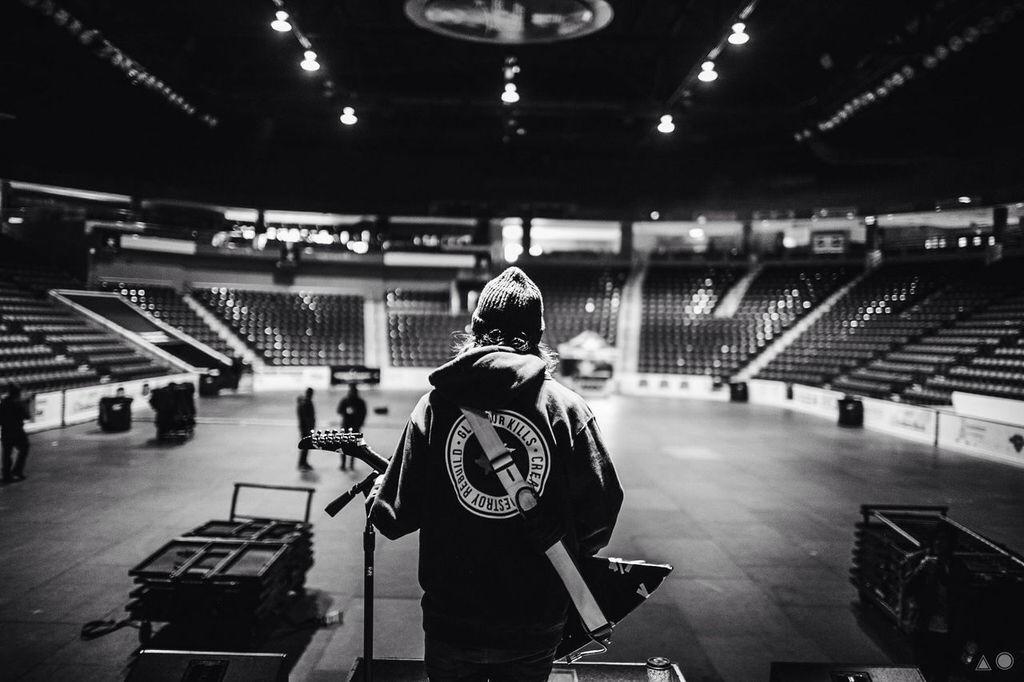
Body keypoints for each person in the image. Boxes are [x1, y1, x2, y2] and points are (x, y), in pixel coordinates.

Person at [368, 267, 623, 682]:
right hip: (535, 620)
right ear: (537, 336)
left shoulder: (434, 407)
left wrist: (382, 489)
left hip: (453, 621)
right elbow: (600, 516)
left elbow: (393, 517)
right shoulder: (567, 410)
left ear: (475, 330)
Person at [1, 384, 32, 483]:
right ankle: (17, 470)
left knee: (7, 454)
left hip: (6, 431)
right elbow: (27, 416)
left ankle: (6, 475)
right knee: (25, 447)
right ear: (18, 394)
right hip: (17, 431)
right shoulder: (18, 404)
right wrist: (27, 403)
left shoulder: (3, 403)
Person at [337, 383, 367, 470]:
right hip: (349, 426)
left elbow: (363, 413)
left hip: (351, 426)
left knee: (350, 446)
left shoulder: (348, 401)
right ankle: (346, 464)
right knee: (347, 446)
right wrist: (346, 412)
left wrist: (359, 422)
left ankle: (348, 465)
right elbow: (339, 410)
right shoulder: (353, 401)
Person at [296, 387, 316, 471]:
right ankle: (302, 463)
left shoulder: (305, 402)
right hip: (306, 429)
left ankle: (304, 462)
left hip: (305, 428)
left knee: (306, 446)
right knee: (305, 446)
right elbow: (307, 418)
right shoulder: (306, 403)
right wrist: (309, 429)